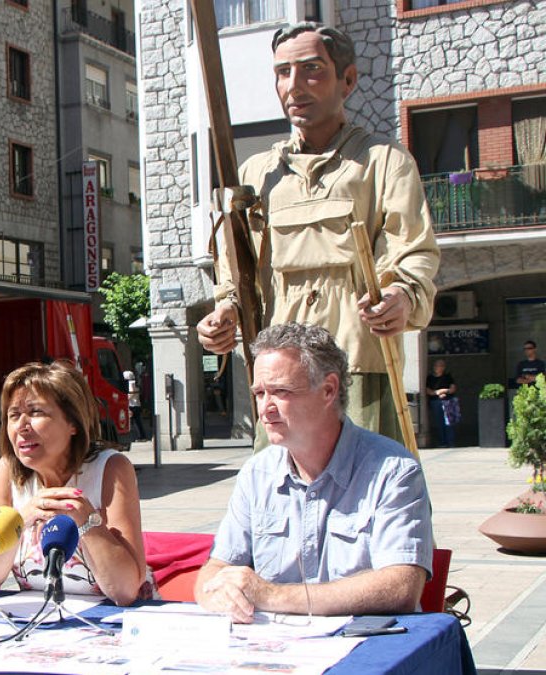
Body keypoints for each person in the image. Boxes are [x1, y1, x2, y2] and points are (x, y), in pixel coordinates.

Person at [196, 22, 439, 444]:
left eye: (312, 70)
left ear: (347, 80)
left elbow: (413, 253)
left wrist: (402, 296)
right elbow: (238, 275)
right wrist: (225, 314)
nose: (294, 86)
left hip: (358, 369)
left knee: (367, 497)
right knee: (278, 500)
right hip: (279, 376)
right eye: (282, 72)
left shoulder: (383, 162)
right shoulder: (256, 176)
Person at [195, 323, 433, 623]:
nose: (265, 408)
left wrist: (270, 595)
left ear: (328, 390)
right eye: (259, 393)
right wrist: (219, 595)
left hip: (365, 652)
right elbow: (214, 569)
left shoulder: (393, 471)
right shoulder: (257, 472)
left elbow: (401, 586)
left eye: (281, 392)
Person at [0, 361, 154, 606]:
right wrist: (20, 521)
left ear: (73, 423)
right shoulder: (7, 471)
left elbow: (125, 591)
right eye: (13, 415)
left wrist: (85, 519)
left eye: (35, 412)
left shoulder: (112, 469)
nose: (21, 426)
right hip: (38, 624)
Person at [424, 359, 458, 448]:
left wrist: (443, 391)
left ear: (443, 367)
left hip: (447, 401)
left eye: (439, 366)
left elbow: (453, 389)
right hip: (435, 402)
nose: (436, 367)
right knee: (439, 422)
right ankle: (442, 442)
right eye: (435, 365)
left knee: (449, 422)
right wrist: (438, 392)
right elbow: (428, 391)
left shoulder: (448, 377)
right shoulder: (430, 378)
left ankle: (450, 442)